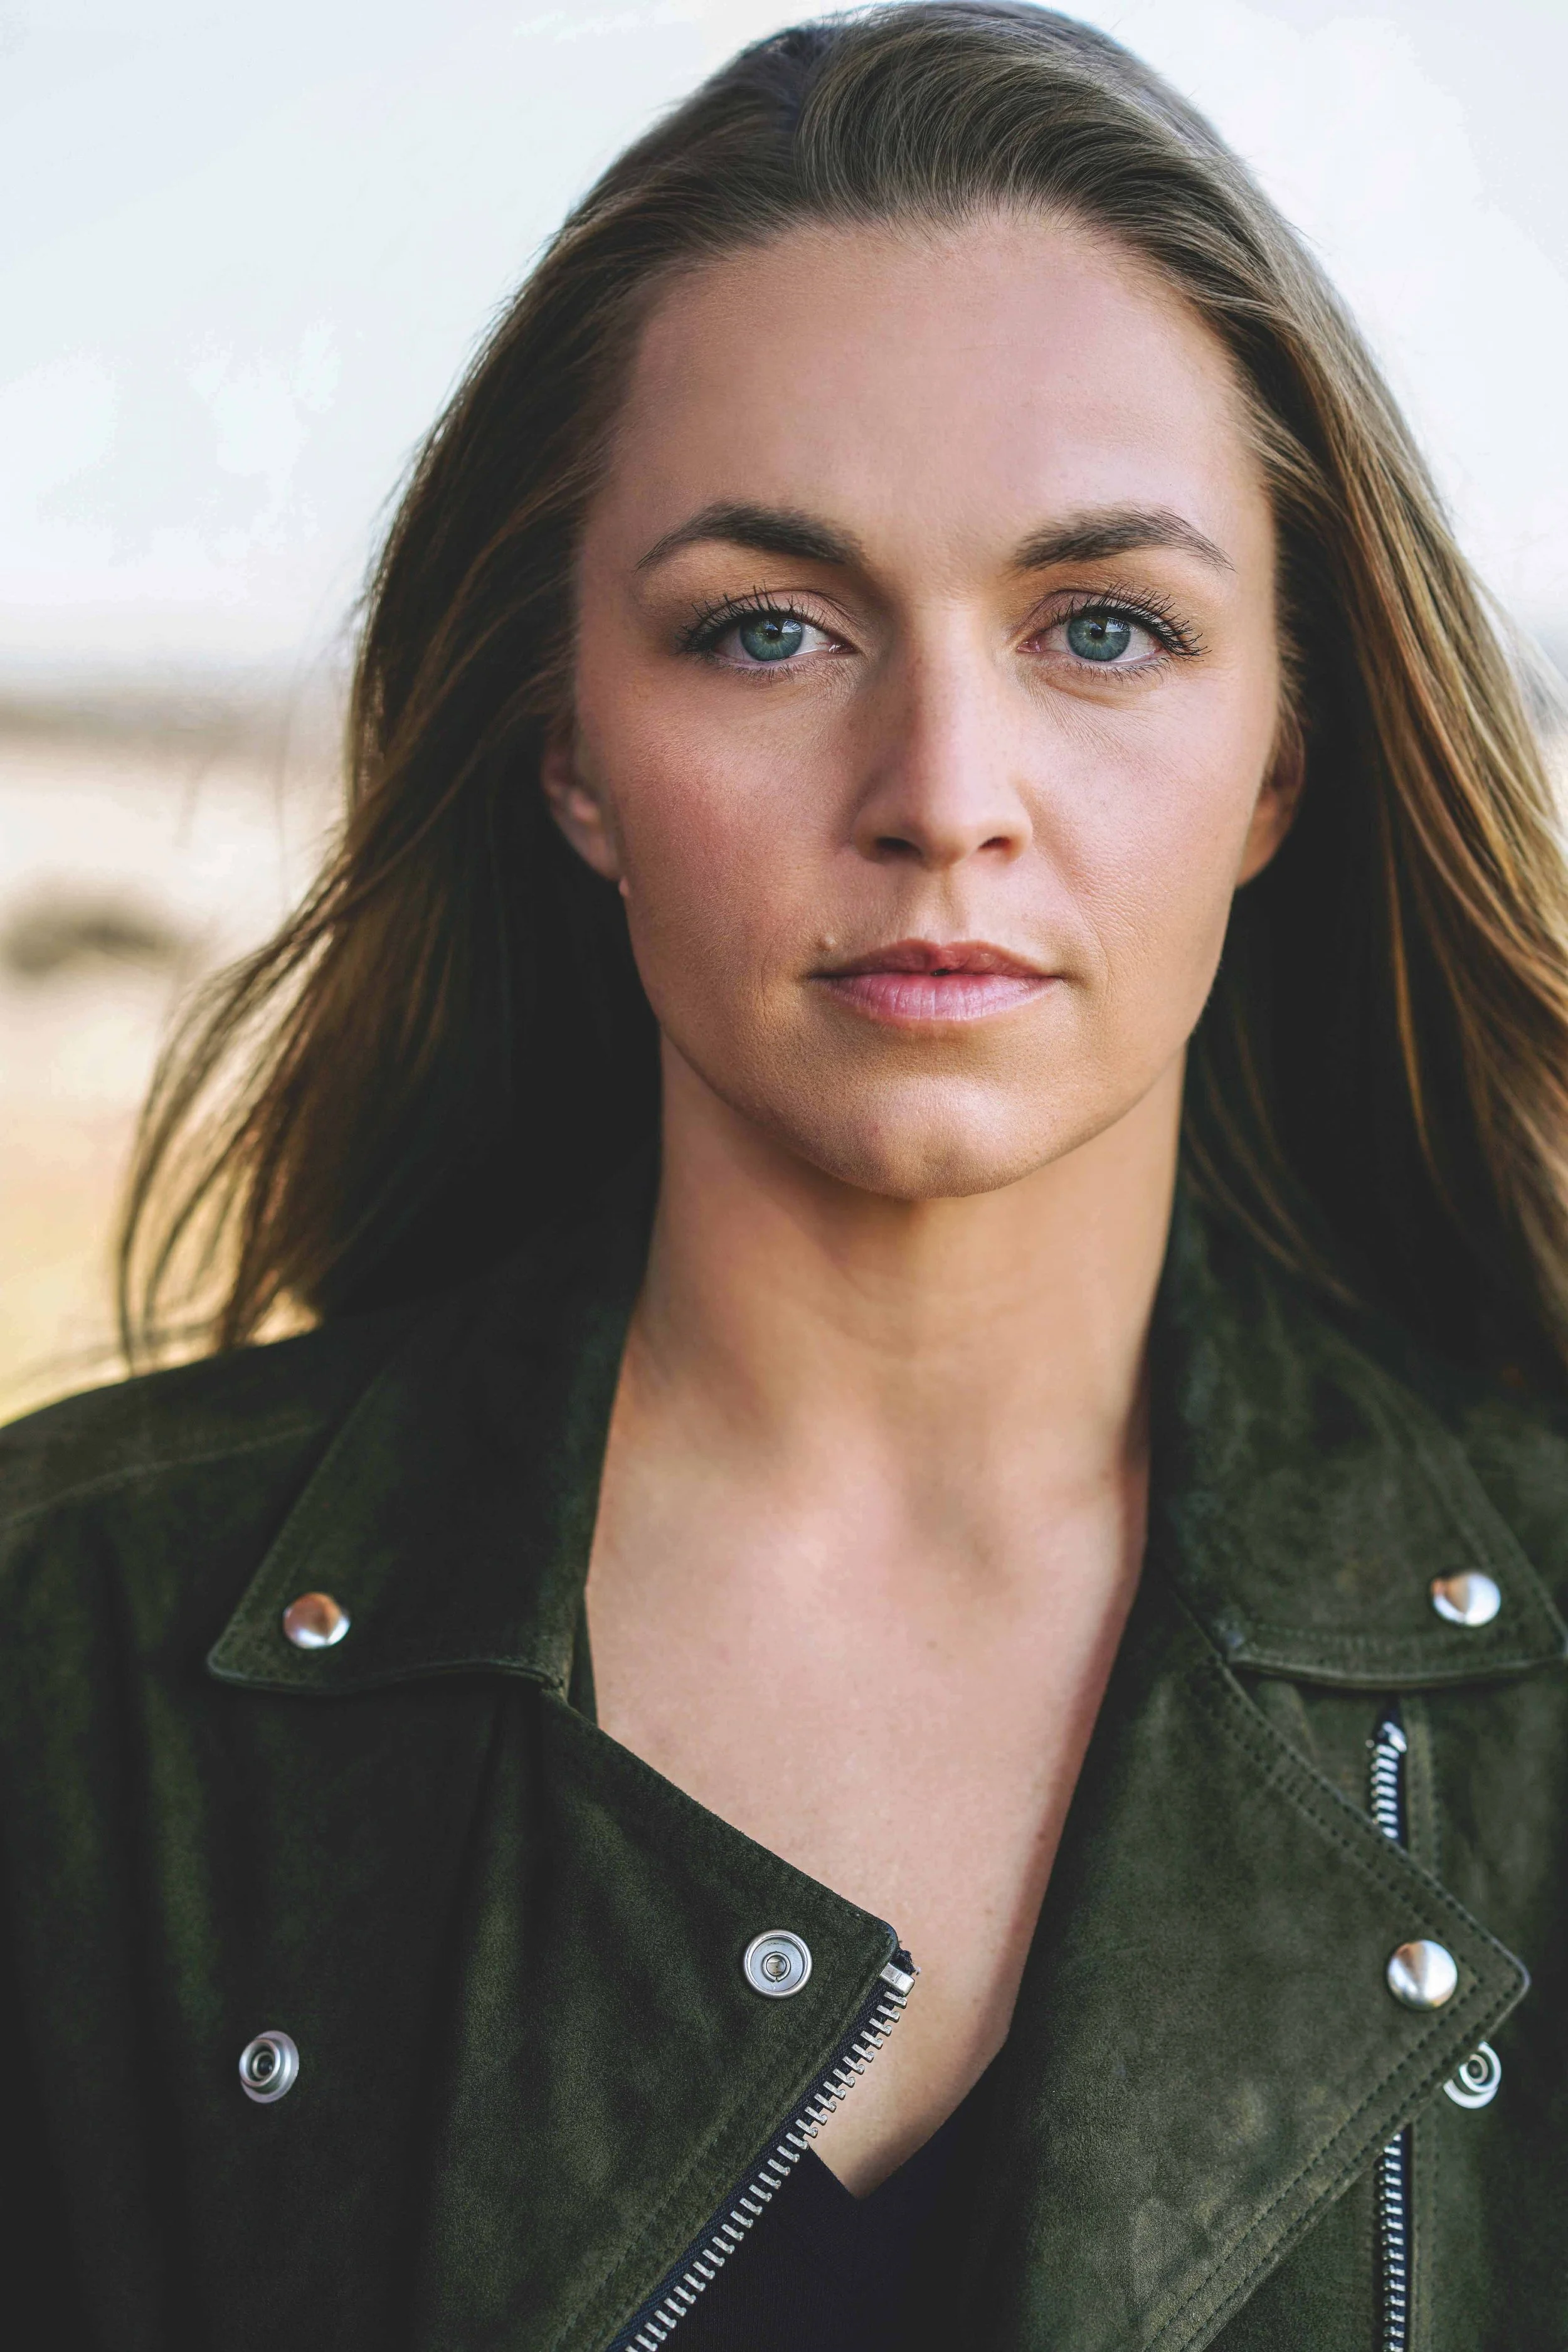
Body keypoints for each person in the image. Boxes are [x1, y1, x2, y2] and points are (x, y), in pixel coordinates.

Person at [3, 6, 1565, 2346]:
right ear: (567, 746)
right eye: (769, 627)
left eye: (1104, 629)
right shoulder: (71, 1663)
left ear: (1278, 759)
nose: (945, 787)